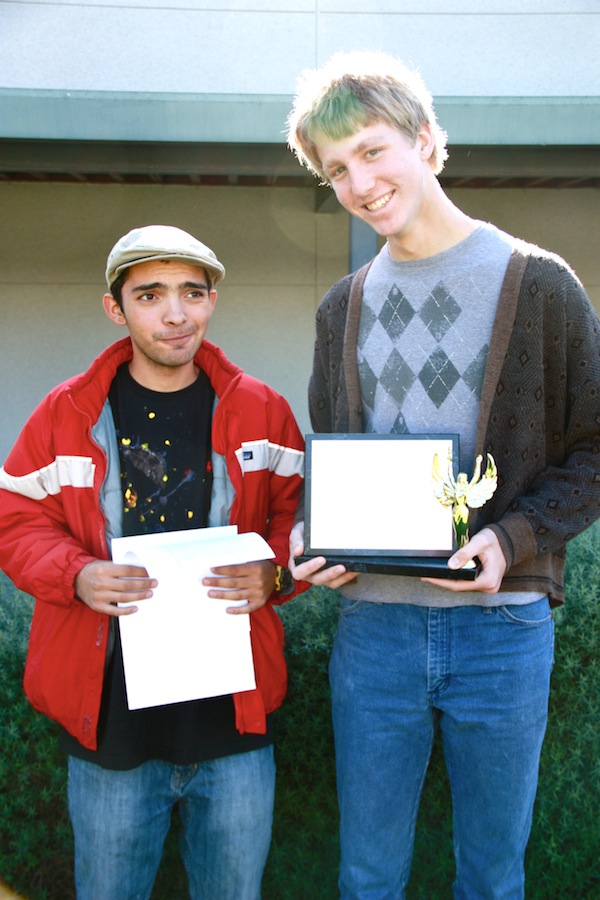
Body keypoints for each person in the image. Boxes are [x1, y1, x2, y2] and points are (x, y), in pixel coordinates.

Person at [286, 51, 600, 898]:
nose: (359, 181)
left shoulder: (539, 286)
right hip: (374, 633)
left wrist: (513, 538)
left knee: (493, 878)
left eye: (374, 150)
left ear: (428, 141)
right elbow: (338, 459)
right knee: (367, 876)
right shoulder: (339, 309)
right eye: (336, 168)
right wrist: (313, 534)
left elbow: (596, 446)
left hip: (503, 630)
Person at [0, 224, 306, 900]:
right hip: (111, 726)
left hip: (232, 721)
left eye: (192, 293)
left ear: (212, 301)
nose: (175, 314)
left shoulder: (261, 409)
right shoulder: (63, 414)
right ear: (117, 308)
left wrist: (275, 574)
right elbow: (16, 523)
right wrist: (75, 574)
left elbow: (299, 521)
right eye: (151, 295)